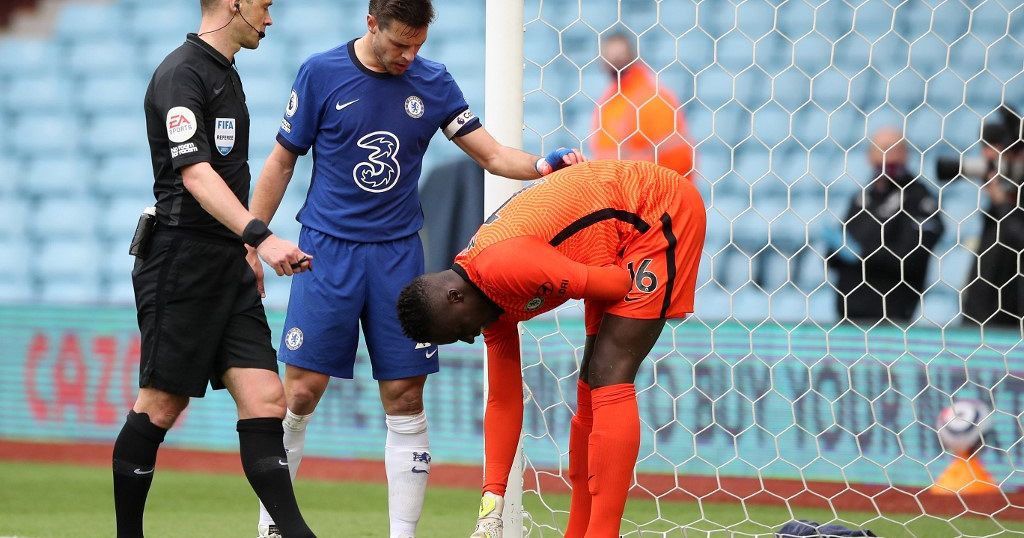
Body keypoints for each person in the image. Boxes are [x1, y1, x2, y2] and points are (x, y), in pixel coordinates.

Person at [248, 1, 584, 537]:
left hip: (399, 257)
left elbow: (494, 156)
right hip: (326, 252)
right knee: (301, 392)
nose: (410, 55)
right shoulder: (321, 73)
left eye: (419, 46)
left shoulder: (432, 82)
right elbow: (281, 160)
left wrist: (542, 165)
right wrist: (254, 238)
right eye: (400, 44)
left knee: (404, 396)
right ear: (371, 24)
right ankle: (271, 529)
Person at [396, 160, 706, 538]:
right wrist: (491, 505)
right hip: (612, 237)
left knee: (609, 371)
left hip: (656, 211)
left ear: (455, 296)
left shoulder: (504, 266)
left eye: (459, 331)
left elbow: (615, 284)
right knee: (589, 387)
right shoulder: (488, 302)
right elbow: (504, 402)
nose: (469, 339)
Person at [114, 1, 317, 537]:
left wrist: (244, 252)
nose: (269, 19)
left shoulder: (224, 73)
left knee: (266, 398)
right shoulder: (182, 73)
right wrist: (261, 237)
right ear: (234, 4)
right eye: (264, 6)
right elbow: (197, 176)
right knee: (161, 403)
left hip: (226, 261)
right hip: (180, 260)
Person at [826, 127, 944, 323]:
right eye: (879, 149)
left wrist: (861, 255)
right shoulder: (862, 197)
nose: (885, 155)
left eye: (891, 148)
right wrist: (836, 250)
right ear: (869, 156)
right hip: (848, 315)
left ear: (905, 154)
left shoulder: (919, 198)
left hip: (891, 315)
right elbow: (835, 253)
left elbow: (910, 257)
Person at [589, 32, 695, 178]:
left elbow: (677, 153)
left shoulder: (654, 98)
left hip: (652, 190)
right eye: (609, 56)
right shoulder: (608, 102)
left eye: (620, 56)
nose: (614, 61)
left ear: (632, 56)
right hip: (619, 191)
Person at [961, 106, 1024, 332]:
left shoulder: (1009, 207)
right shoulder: (996, 209)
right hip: (979, 324)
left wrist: (1003, 203)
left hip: (1011, 327)